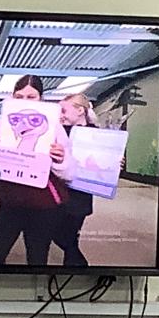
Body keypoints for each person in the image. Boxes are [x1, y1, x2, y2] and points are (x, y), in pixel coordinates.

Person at [0, 75, 76, 265]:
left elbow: (69, 174)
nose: (25, 101)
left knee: (37, 256)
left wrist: (59, 160)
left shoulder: (55, 129)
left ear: (41, 98)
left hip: (43, 205)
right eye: (19, 96)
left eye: (31, 96)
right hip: (10, 203)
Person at [52, 93, 98, 266]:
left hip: (80, 197)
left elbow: (103, 163)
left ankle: (76, 267)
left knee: (69, 237)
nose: (61, 115)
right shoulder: (58, 132)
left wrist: (115, 162)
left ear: (80, 110)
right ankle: (78, 267)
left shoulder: (98, 135)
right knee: (58, 234)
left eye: (64, 110)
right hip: (57, 194)